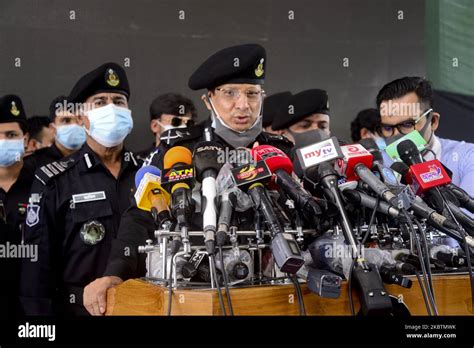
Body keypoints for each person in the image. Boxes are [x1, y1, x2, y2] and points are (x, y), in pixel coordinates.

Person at [82, 43, 295, 316]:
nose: (243, 105)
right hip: (193, 290)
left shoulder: (280, 151)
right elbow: (140, 216)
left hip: (272, 292)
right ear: (209, 101)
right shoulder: (179, 150)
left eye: (252, 94)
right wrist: (115, 273)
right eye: (230, 93)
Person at [20, 62, 140, 316]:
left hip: (145, 305)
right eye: (99, 102)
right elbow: (36, 269)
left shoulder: (148, 174)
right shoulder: (54, 180)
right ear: (79, 117)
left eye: (118, 101)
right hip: (79, 310)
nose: (111, 108)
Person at [376, 76, 474, 197]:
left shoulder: (467, 157)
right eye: (387, 128)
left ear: (433, 121)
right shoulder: (378, 165)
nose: (396, 135)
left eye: (407, 124)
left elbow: (468, 215)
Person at [0, 95, 34, 318]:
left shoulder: (43, 186)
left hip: (31, 300)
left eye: (11, 135)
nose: (3, 141)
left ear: (25, 138)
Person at [24, 95, 86, 170]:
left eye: (79, 119)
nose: (75, 125)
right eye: (66, 120)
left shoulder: (96, 159)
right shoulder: (34, 164)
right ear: (53, 128)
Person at [135, 93, 197, 161]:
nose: (184, 128)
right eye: (176, 122)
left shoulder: (198, 160)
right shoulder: (139, 162)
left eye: (189, 123)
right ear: (155, 126)